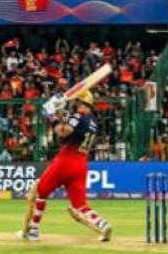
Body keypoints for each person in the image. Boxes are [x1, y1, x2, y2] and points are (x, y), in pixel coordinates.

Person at [16, 88, 111, 242]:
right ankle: (103, 224)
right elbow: (70, 121)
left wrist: (51, 115)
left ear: (80, 102)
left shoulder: (79, 116)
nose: (74, 105)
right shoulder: (93, 121)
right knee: (79, 204)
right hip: (81, 164)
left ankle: (33, 230)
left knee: (41, 192)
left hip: (66, 160)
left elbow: (63, 130)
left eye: (76, 102)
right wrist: (58, 111)